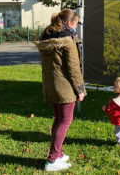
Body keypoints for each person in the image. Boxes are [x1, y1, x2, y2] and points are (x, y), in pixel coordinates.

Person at [34, 9, 86, 172]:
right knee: (64, 121)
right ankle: (52, 159)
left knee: (58, 119)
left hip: (51, 84)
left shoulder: (48, 36)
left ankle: (59, 154)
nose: (76, 27)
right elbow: (73, 68)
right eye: (76, 23)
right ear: (69, 23)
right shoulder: (68, 39)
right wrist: (80, 89)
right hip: (64, 86)